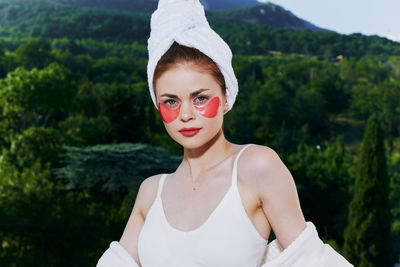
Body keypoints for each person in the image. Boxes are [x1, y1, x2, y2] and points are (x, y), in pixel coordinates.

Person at [97, 0, 353, 266]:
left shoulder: (257, 167)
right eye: (171, 101)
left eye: (200, 98)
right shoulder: (150, 192)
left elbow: (311, 260)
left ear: (226, 96)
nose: (185, 115)